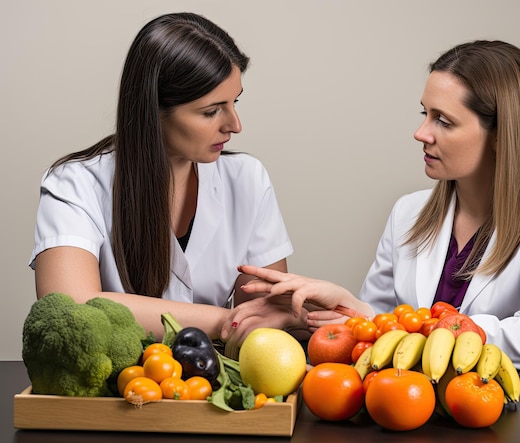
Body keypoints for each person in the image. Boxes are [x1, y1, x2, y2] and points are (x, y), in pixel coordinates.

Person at [237, 40, 520, 371]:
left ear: (503, 135)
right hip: (411, 410)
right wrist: (341, 308)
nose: (422, 133)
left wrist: (414, 329)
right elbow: (379, 332)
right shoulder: (407, 213)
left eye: (444, 120)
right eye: (424, 114)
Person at [29, 12, 310, 347]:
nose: (235, 125)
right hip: (119, 393)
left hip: (212, 387)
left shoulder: (247, 179)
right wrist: (224, 320)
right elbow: (73, 308)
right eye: (211, 111)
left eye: (235, 103)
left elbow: (263, 319)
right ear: (153, 110)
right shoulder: (75, 184)